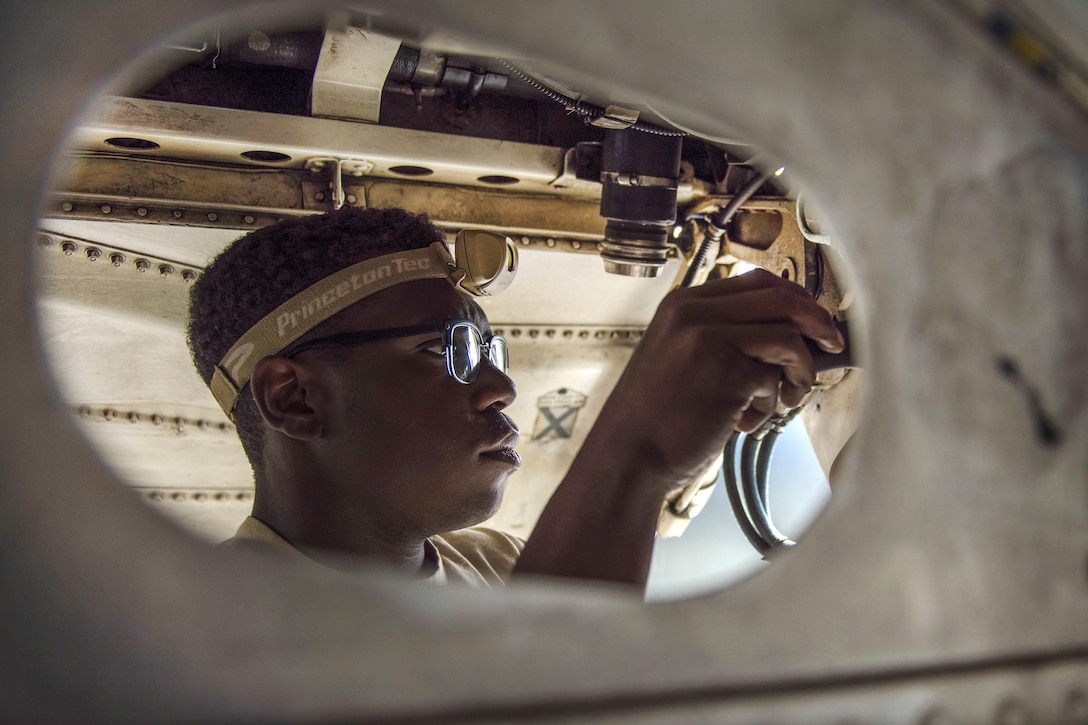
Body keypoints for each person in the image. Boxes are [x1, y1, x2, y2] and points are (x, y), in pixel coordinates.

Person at [187, 206, 843, 591]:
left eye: (489, 350)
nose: (500, 387)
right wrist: (636, 451)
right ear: (294, 398)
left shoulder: (498, 565)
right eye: (446, 351)